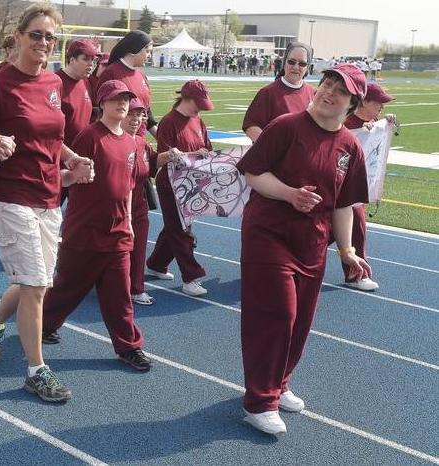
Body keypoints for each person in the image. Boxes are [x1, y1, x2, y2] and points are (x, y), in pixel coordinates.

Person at [0, 3, 94, 403]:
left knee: (35, 280)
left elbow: (53, 138)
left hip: (49, 194)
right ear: (19, 36)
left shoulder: (53, 83)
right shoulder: (1, 82)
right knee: (37, 285)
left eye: (50, 37)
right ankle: (37, 370)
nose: (43, 43)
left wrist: (72, 158)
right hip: (12, 196)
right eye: (36, 34)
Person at [235, 64, 370, 436]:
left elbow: (343, 204)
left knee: (300, 321)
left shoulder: (350, 146)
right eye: (326, 84)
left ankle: (278, 383)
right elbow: (253, 174)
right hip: (269, 234)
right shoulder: (286, 127)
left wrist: (346, 250)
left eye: (339, 91)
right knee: (277, 314)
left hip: (312, 243)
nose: (328, 92)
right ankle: (259, 402)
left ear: (352, 102)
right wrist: (290, 194)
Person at [42, 80, 153, 371]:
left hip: (117, 232)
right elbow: (64, 171)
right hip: (85, 230)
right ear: (102, 103)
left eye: (126, 99)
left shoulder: (131, 141)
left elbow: (128, 187)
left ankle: (128, 346)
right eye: (116, 99)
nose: (123, 104)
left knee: (119, 294)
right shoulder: (89, 136)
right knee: (68, 286)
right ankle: (43, 323)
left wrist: (127, 220)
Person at [146, 80, 214, 296]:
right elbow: (167, 157)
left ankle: (156, 264)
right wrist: (193, 155)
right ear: (187, 98)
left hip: (192, 184)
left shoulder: (199, 121)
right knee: (181, 230)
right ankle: (190, 277)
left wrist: (204, 154)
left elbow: (208, 148)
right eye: (198, 103)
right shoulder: (169, 122)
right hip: (171, 185)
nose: (200, 108)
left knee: (174, 228)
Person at [332, 82, 396, 292]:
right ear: (365, 101)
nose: (382, 108)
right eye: (379, 103)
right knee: (335, 230)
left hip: (352, 190)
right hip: (335, 187)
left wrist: (385, 125)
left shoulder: (372, 121)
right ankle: (291, 261)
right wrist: (359, 131)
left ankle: (355, 274)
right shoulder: (347, 121)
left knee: (352, 229)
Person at [243, 42, 316, 143]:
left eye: (302, 64)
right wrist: (271, 148)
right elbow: (250, 125)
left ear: (307, 67)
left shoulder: (314, 94)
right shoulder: (268, 92)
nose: (296, 67)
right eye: (291, 62)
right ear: (284, 62)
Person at [122, 98, 155, 306]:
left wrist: (172, 156)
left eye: (140, 114)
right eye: (131, 114)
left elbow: (153, 163)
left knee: (139, 247)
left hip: (139, 206)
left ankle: (136, 288)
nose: (136, 119)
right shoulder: (107, 139)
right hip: (113, 208)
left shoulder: (143, 143)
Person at [96, 30, 157, 137]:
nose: (149, 56)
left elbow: (147, 111)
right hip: (118, 139)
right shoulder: (111, 72)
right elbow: (100, 109)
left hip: (139, 139)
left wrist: (158, 135)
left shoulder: (142, 75)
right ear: (135, 49)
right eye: (147, 51)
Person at [57, 39, 98, 147]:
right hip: (62, 156)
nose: (91, 64)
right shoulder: (55, 82)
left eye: (93, 60)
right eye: (85, 59)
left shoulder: (85, 81)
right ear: (71, 60)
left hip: (82, 152)